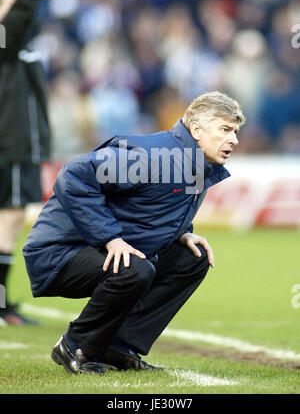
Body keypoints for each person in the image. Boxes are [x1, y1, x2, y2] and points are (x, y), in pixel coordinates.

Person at [23, 91, 245, 375]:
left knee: (193, 257)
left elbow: (150, 205)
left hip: (91, 247)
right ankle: (76, 346)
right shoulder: (153, 156)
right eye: (225, 129)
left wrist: (181, 232)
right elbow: (73, 176)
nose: (234, 139)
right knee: (134, 269)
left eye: (235, 131)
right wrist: (111, 239)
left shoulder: (196, 163)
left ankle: (117, 346)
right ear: (197, 130)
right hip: (58, 251)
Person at [0, 0, 59, 325]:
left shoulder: (14, 48)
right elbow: (21, 15)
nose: (14, 3)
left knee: (9, 224)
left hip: (16, 148)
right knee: (8, 224)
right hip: (11, 149)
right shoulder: (5, 43)